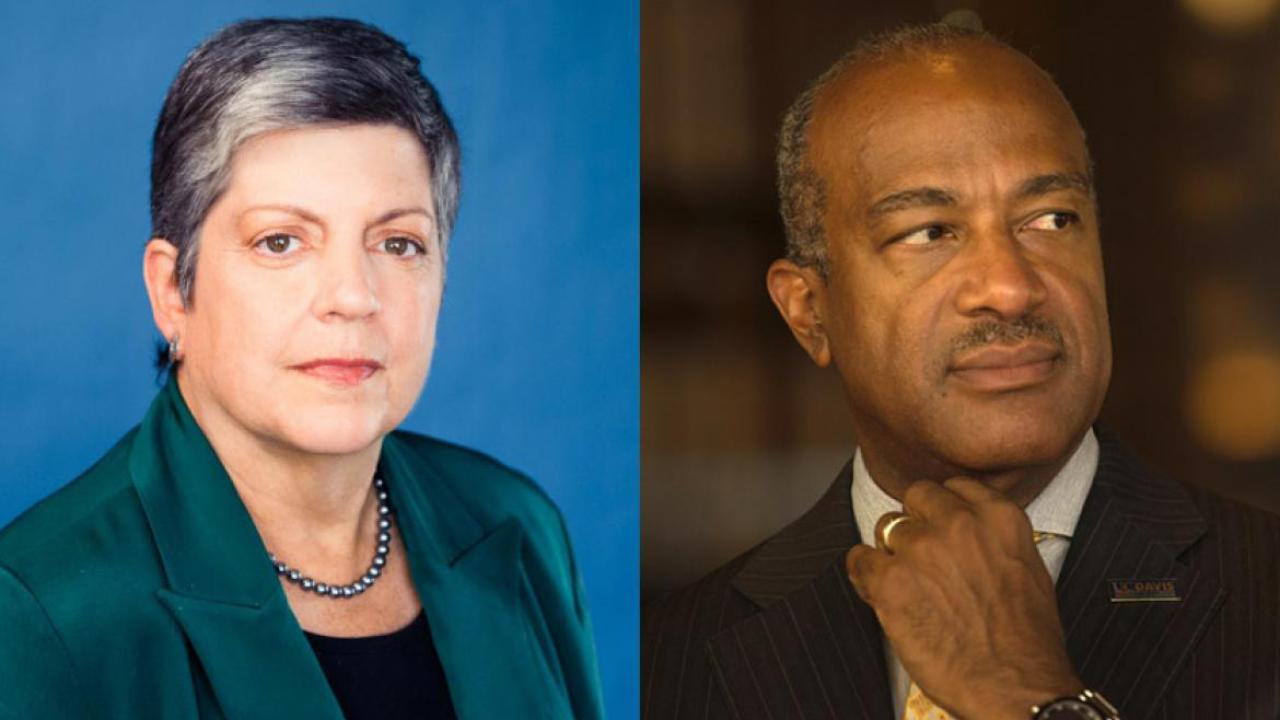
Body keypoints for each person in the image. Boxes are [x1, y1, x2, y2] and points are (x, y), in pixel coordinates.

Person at [642, 23, 1280, 720]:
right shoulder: (664, 664)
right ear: (809, 311)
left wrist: (1027, 697)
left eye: (1051, 219)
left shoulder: (1263, 591)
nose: (1009, 287)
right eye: (929, 232)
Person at [0, 18, 603, 720]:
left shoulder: (519, 529)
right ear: (173, 292)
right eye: (281, 241)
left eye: (399, 243)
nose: (353, 296)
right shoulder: (42, 609)